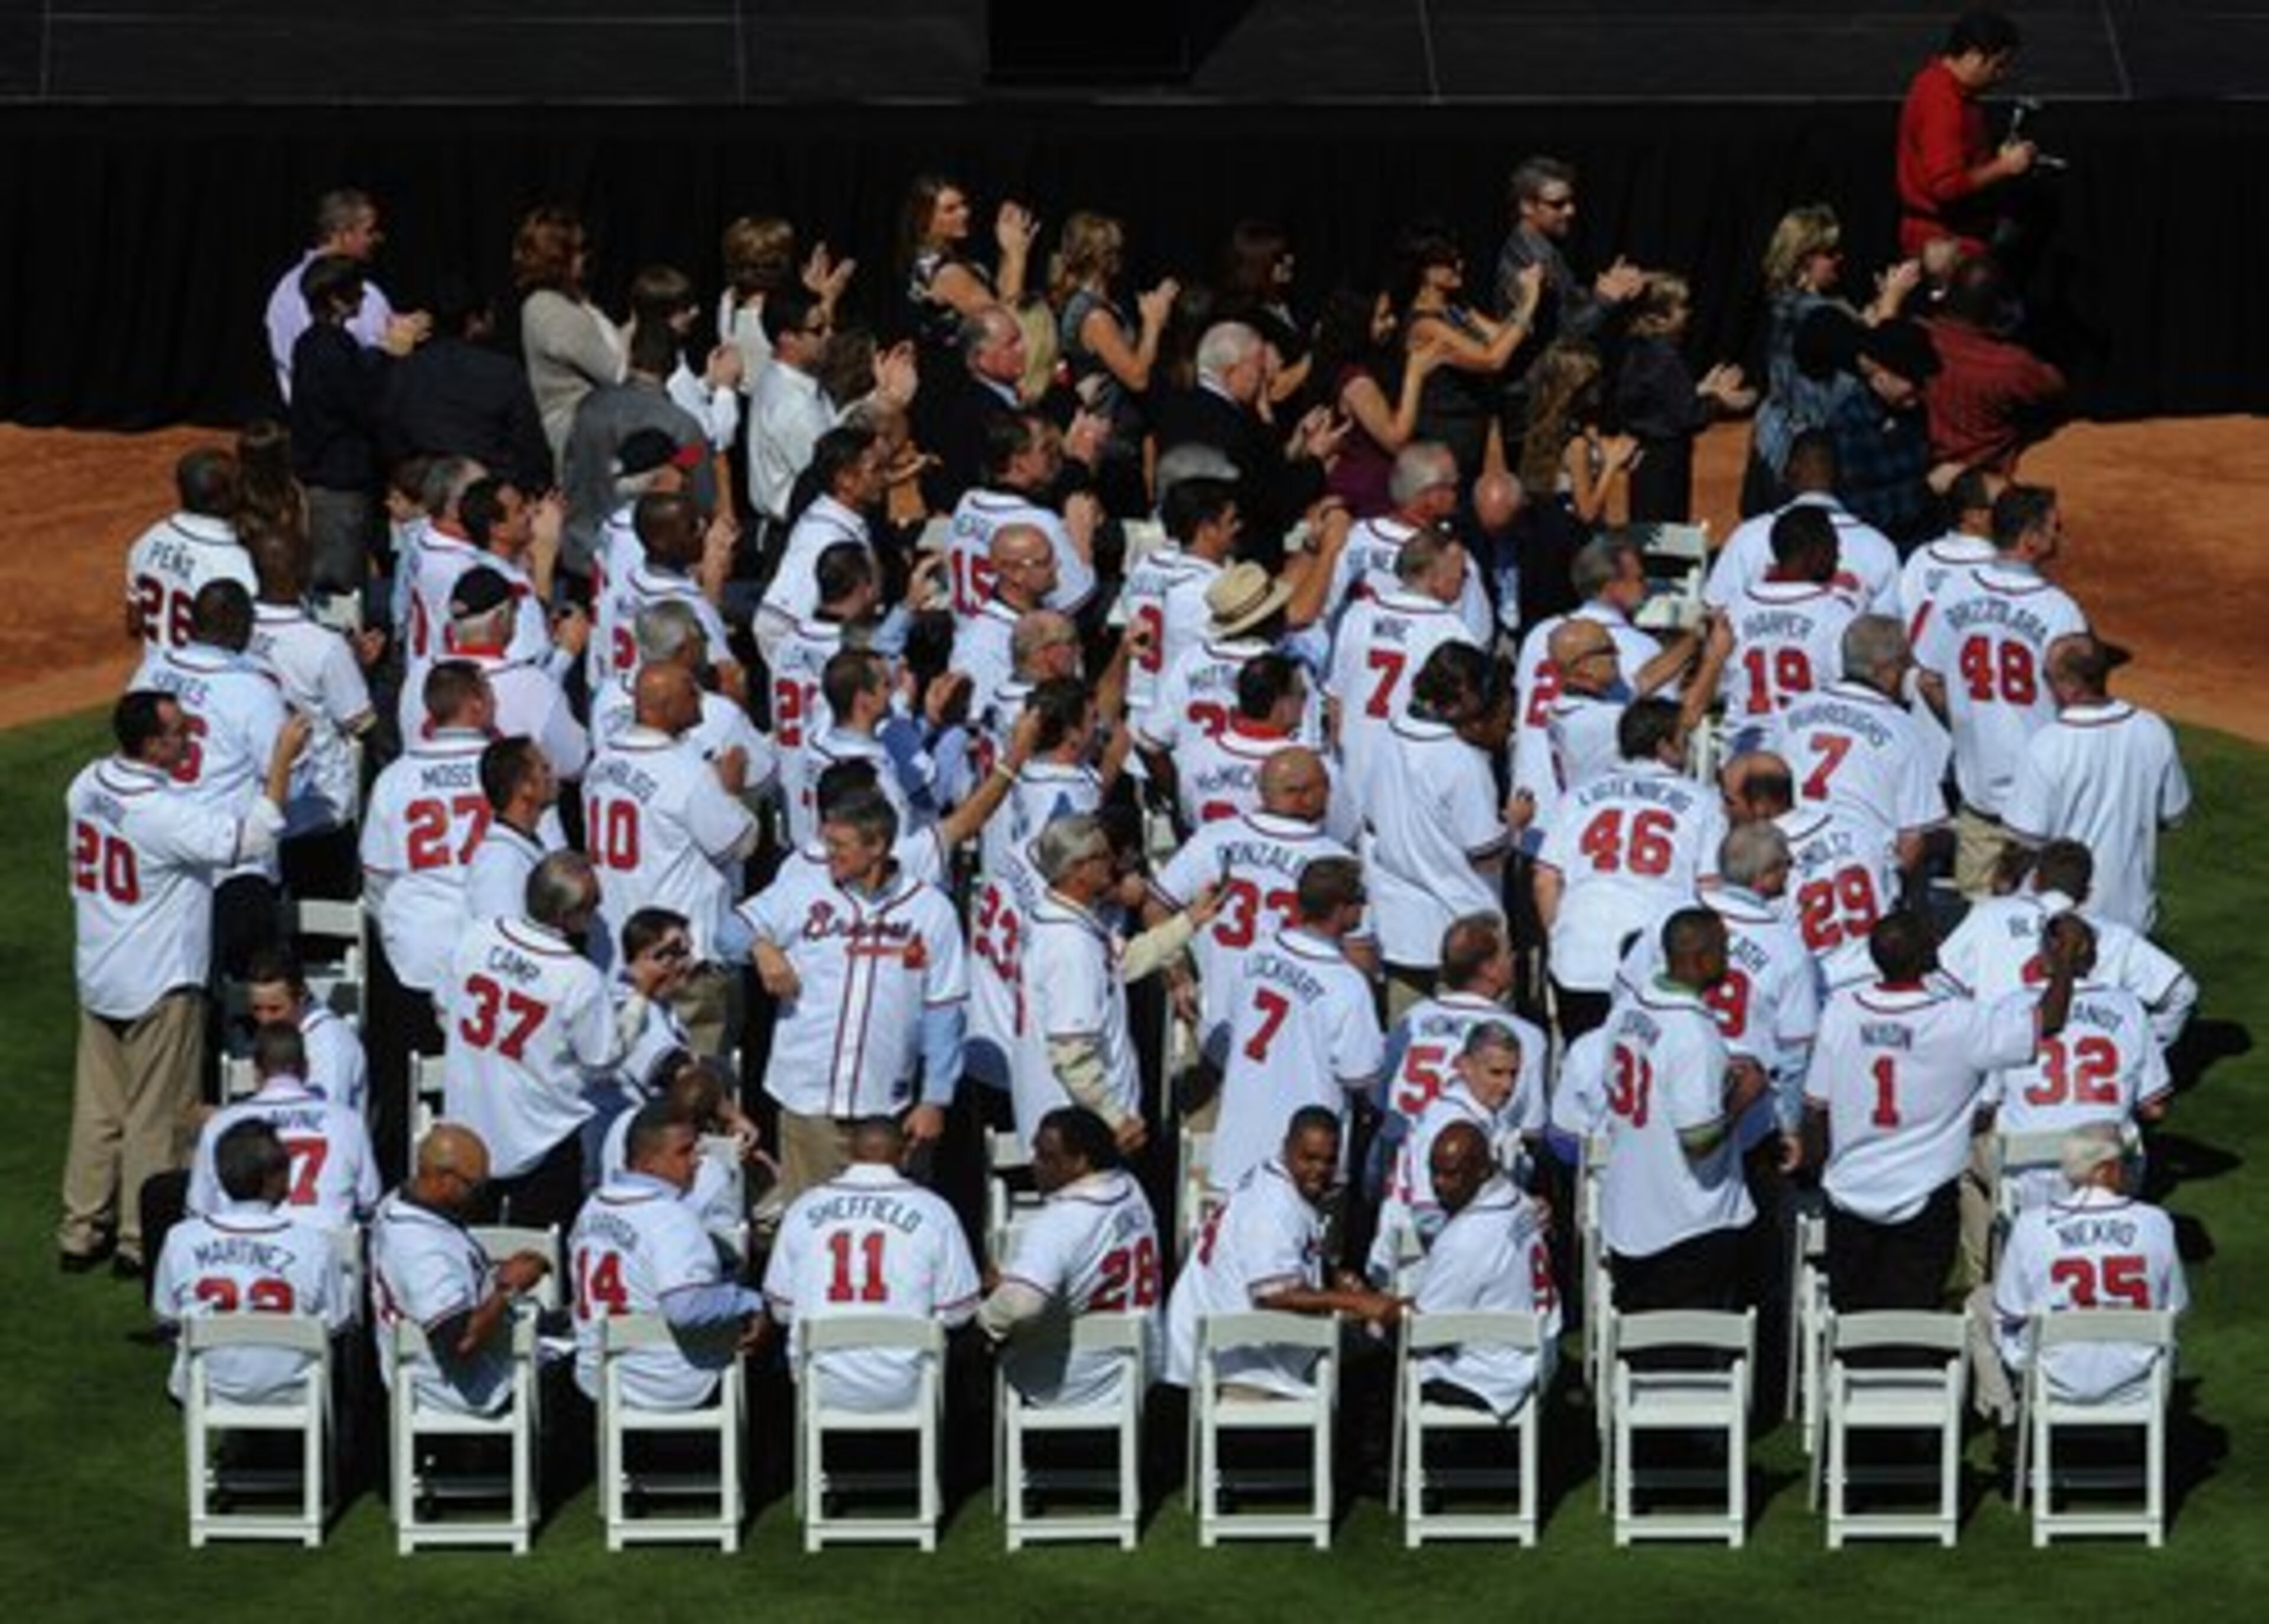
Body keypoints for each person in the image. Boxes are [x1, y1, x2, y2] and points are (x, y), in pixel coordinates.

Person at [60, 692, 303, 1274]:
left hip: (100, 970)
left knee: (97, 1110)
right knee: (158, 1115)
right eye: (177, 734)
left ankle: (78, 1228)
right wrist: (281, 760)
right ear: (151, 744)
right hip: (158, 980)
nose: (189, 741)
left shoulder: (86, 784)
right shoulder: (160, 814)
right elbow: (251, 838)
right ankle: (139, 1239)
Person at [1802, 909, 2079, 1313]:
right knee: (1912, 1318)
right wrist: (2066, 959)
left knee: (1852, 1319)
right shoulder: (1959, 1020)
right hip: (1925, 1195)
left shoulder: (1840, 1013)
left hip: (1848, 1190)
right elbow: (2049, 1020)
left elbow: (1816, 1110)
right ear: (1929, 954)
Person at [739, 787, 968, 1199]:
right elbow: (728, 928)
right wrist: (761, 947)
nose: (829, 854)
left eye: (840, 846)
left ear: (877, 845)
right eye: (828, 842)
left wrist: (935, 1099)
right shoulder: (803, 890)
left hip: (887, 1110)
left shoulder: (931, 909)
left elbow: (945, 1010)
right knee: (810, 1226)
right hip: (807, 1100)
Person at [438, 852, 632, 1228]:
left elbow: (445, 1010)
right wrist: (639, 1002)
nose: (599, 912)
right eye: (593, 905)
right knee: (542, 1262)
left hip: (470, 1120)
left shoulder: (479, 934)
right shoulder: (577, 977)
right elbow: (602, 1060)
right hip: (543, 1135)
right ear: (567, 915)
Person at [1913, 482, 2089, 894]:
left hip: (1979, 803)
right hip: (2044, 808)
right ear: (2031, 539)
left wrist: (1967, 729)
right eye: (2053, 528)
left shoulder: (1954, 590)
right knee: (2045, 923)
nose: (2059, 535)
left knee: (1980, 932)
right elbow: (2079, 702)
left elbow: (1928, 680)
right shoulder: (2059, 609)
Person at [1598, 909, 1770, 1312]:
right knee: (1688, 1358)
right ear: (1699, 958)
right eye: (1722, 951)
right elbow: (1698, 1138)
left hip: (1630, 1206)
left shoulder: (1628, 1006)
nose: (1728, 960)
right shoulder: (1692, 1030)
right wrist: (1746, 1094)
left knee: (1637, 1345)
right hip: (1688, 1220)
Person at [1163, 1109, 1405, 1395]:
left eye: (1329, 1161)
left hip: (1237, 1338)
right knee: (1376, 1363)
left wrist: (1332, 1275)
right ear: (1286, 1147)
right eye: (1309, 1158)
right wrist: (1359, 1302)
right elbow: (1272, 1294)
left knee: (1372, 1348)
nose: (1319, 1170)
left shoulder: (1276, 1178)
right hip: (1230, 1364)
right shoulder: (1271, 1207)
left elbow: (1287, 1257)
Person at [582, 662, 760, 1047]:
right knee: (697, 1088)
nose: (701, 697)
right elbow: (742, 842)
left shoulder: (601, 762)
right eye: (690, 691)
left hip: (615, 953)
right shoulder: (686, 771)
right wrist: (730, 791)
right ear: (664, 706)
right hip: (678, 966)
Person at [1969, 1122, 2187, 1429]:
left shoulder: (2031, 1225)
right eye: (2124, 1161)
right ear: (2106, 1170)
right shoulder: (2157, 1222)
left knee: (1978, 1305)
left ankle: (2007, 1415)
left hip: (2053, 1374)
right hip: (2137, 1375)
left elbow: (2009, 1311)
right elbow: (2176, 1308)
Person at [1017, 813, 1214, 1152]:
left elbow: (1124, 961)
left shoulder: (1058, 915)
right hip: (1082, 1133)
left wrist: (1190, 920)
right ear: (1078, 869)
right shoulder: (1070, 947)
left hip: (1072, 1121)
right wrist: (1117, 1119)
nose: (1115, 864)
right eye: (1104, 857)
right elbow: (1072, 1055)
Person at [129, 578, 295, 974]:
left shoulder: (152, 669)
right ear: (244, 628)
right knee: (245, 990)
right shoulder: (254, 690)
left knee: (171, 978)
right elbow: (288, 781)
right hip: (232, 873)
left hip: (160, 856)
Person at [1535, 699, 1727, 1042]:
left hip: (1578, 958)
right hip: (1652, 963)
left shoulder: (1577, 796)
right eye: (1682, 738)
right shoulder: (1703, 802)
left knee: (1582, 1068)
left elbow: (1546, 881)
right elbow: (1710, 891)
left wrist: (1561, 933)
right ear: (1664, 746)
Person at [762, 1115, 981, 1412]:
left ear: (849, 1154)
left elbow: (781, 1309)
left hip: (821, 1383)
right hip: (907, 1384)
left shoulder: (805, 1208)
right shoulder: (935, 1211)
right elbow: (959, 1311)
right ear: (905, 1154)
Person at [1207, 857, 1384, 1196]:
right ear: (1341, 909)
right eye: (1360, 898)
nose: (1365, 906)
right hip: (1305, 1166)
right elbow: (1359, 1075)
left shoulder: (1254, 954)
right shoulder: (1346, 983)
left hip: (1235, 1147)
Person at [568, 1103, 763, 1409]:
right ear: (647, 1163)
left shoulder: (591, 1208)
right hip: (668, 1380)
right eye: (684, 1152)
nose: (698, 1161)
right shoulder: (671, 1218)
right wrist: (748, 1302)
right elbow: (685, 1308)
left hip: (600, 1375)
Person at [1356, 642, 1511, 1013]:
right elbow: (1487, 857)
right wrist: (1516, 824)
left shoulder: (1390, 735)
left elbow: (1374, 823)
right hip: (1463, 938)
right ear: (1462, 695)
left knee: (1409, 1047)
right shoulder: (1463, 761)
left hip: (1400, 928)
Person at [980, 1106, 1166, 1407]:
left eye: (1048, 1158)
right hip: (1140, 1365)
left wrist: (982, 1320)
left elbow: (1021, 1307)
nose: (1035, 1165)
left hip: (1072, 1382)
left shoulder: (1060, 1220)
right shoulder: (1132, 1189)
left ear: (1081, 1161)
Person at [152, 1120, 347, 1405]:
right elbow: (337, 1324)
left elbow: (166, 1316)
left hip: (206, 1387)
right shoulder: (314, 1243)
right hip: (293, 1387)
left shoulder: (181, 1238)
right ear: (274, 1178)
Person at [2004, 633, 2189, 932]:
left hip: (2060, 921)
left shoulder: (2047, 745)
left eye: (2048, 678)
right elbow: (2172, 815)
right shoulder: (2153, 729)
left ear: (2071, 686)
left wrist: (2004, 889)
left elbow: (2025, 842)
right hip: (2132, 918)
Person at [1743, 204, 1920, 514]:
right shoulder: (1821, 318)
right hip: (1810, 462)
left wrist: (1867, 321)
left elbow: (1835, 344)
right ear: (1804, 258)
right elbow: (1883, 360)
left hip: (1771, 443)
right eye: (1830, 252)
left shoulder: (1781, 300)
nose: (1840, 258)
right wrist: (1893, 299)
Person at [370, 1124, 554, 1417]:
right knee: (585, 1377)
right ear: (444, 1180)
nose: (482, 1194)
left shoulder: (399, 1202)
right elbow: (461, 1340)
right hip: (468, 1388)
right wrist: (509, 1287)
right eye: (476, 1186)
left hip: (455, 1369)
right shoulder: (421, 1249)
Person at [1773, 614, 1949, 874]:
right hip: (1863, 869)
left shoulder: (1794, 711)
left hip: (1791, 860)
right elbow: (1913, 839)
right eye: (1905, 664)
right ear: (1888, 670)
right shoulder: (1902, 728)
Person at [1407, 1121, 1561, 1415]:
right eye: (1433, 1172)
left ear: (1481, 1171)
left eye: (1451, 1174)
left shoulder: (1466, 1236)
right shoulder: (1519, 1199)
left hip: (1493, 1375)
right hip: (1540, 1348)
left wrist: (1371, 1307)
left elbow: (1423, 1330)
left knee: (1394, 1350)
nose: (1438, 1183)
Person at [1372, 1022, 1540, 1283]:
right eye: (1496, 1073)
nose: (1507, 1086)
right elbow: (1428, 1217)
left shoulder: (1486, 1116)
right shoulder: (1448, 1124)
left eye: (1513, 1074)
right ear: (1465, 1066)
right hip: (1418, 1264)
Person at [291, 253, 421, 592]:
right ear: (337, 300)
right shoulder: (333, 348)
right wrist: (391, 357)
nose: (364, 298)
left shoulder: (310, 344)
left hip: (325, 478)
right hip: (339, 486)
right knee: (339, 586)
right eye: (358, 292)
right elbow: (364, 405)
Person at [1489, 156, 1644, 427]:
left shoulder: (1541, 248)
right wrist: (1606, 299)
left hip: (1545, 391)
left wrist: (1599, 292)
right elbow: (1564, 333)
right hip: (1535, 400)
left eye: (1571, 202)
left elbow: (1565, 304)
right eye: (1558, 204)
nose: (1570, 211)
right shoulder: (1531, 261)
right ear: (1527, 206)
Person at [1327, 524, 1481, 794]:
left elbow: (1335, 704)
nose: (1465, 579)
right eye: (1461, 572)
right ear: (1434, 576)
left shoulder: (1357, 614)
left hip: (1354, 767)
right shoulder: (1451, 630)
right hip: (1410, 774)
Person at [187, 1021, 378, 1231]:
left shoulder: (222, 1123)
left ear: (256, 1071)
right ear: (307, 1068)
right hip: (331, 1246)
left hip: (248, 1247)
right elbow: (369, 1201)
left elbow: (199, 1207)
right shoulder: (348, 1121)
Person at [378, 272, 553, 490]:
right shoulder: (503, 371)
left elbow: (391, 438)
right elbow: (529, 442)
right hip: (493, 494)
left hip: (430, 494)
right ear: (474, 320)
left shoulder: (405, 371)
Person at [1394, 222, 1539, 484]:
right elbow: (1493, 359)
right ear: (1427, 272)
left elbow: (1502, 336)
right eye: (1450, 262)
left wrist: (1522, 298)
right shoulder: (1425, 326)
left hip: (1474, 431)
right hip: (1443, 438)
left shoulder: (1457, 308)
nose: (1460, 266)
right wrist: (1529, 301)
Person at [1705, 429, 1901, 619]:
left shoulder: (1748, 537)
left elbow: (1716, 613)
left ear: (1787, 473)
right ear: (1843, 476)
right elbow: (1889, 637)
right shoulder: (1878, 547)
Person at [1615, 272, 1754, 523]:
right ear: (1658, 317)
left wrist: (1704, 390)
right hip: (1664, 462)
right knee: (1662, 532)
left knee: (1647, 527)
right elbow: (1689, 416)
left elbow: (1657, 399)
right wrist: (1721, 399)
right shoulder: (1665, 358)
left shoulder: (1640, 347)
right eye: (1680, 306)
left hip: (1646, 457)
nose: (1688, 312)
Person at [1895, 9, 2034, 259]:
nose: (2001, 76)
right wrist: (2003, 167)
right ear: (1973, 56)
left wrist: (1995, 161)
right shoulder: (1943, 103)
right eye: (1998, 66)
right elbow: (1946, 187)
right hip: (1943, 245)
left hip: (1955, 234)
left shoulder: (1945, 84)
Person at [264, 187, 418, 403]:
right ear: (343, 234)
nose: (378, 238)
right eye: (369, 231)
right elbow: (355, 376)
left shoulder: (283, 289)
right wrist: (397, 345)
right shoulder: (360, 294)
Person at [1921, 257, 2065, 473]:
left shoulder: (1915, 339)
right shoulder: (2010, 365)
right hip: (1988, 473)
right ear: (1999, 309)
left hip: (1929, 469)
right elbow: (2056, 387)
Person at [513, 204, 625, 472]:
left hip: (596, 434)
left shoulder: (566, 304)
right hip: (587, 444)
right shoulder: (552, 311)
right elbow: (618, 373)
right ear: (558, 258)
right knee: (690, 450)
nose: (584, 258)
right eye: (577, 250)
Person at [125, 448, 253, 655]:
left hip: (154, 674)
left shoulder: (147, 541)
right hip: (211, 680)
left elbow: (134, 624)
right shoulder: (236, 563)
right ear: (223, 497)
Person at [243, 942, 369, 1114]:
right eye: (257, 1009)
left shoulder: (330, 1046)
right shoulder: (274, 1037)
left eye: (275, 1009)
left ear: (301, 997)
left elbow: (327, 1118)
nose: (265, 1020)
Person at [461, 735, 564, 925]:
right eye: (545, 770)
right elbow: (501, 943)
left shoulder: (521, 844)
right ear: (526, 787)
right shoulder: (500, 865)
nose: (554, 777)